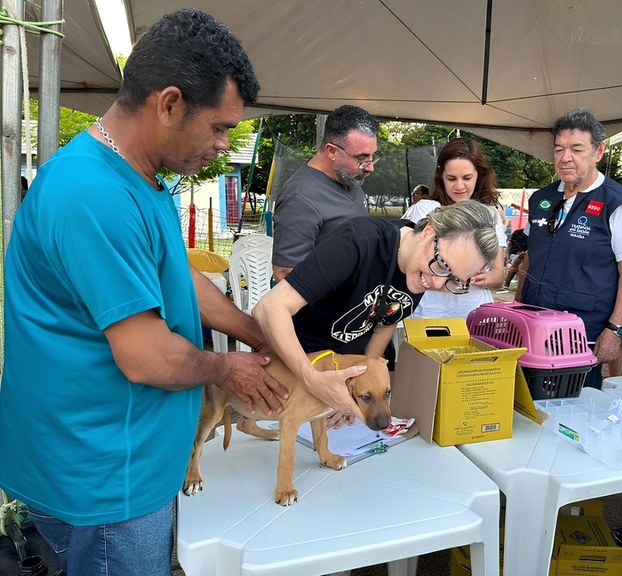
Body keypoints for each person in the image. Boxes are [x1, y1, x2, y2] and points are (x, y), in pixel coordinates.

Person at [0, 10, 295, 576]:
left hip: (126, 460)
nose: (222, 144)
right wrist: (226, 370)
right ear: (169, 103)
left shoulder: (141, 177)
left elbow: (176, 280)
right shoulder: (94, 193)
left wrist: (262, 333)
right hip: (104, 479)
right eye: (219, 127)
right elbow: (146, 355)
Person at [253, 199, 499, 425]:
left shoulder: (422, 268)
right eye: (443, 265)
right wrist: (313, 380)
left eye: (455, 280)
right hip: (291, 370)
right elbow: (270, 308)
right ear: (428, 232)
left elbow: (385, 322)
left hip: (339, 379)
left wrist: (360, 381)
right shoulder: (360, 241)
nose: (437, 283)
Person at [515, 108, 622, 389]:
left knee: (573, 406)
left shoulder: (616, 203)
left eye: (577, 149)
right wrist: (517, 309)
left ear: (598, 151)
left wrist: (615, 330)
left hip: (581, 331)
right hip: (533, 323)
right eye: (559, 149)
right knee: (526, 403)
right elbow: (529, 258)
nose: (566, 158)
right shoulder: (541, 198)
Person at [271, 104, 380, 283]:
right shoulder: (300, 197)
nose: (370, 167)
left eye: (372, 156)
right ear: (332, 151)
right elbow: (286, 273)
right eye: (362, 158)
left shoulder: (348, 177)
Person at [404, 137, 507, 319]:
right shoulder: (426, 209)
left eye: (467, 178)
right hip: (428, 313)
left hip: (475, 314)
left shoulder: (490, 215)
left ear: (479, 175)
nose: (459, 186)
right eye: (451, 178)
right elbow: (410, 263)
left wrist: (486, 278)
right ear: (441, 176)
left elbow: (499, 274)